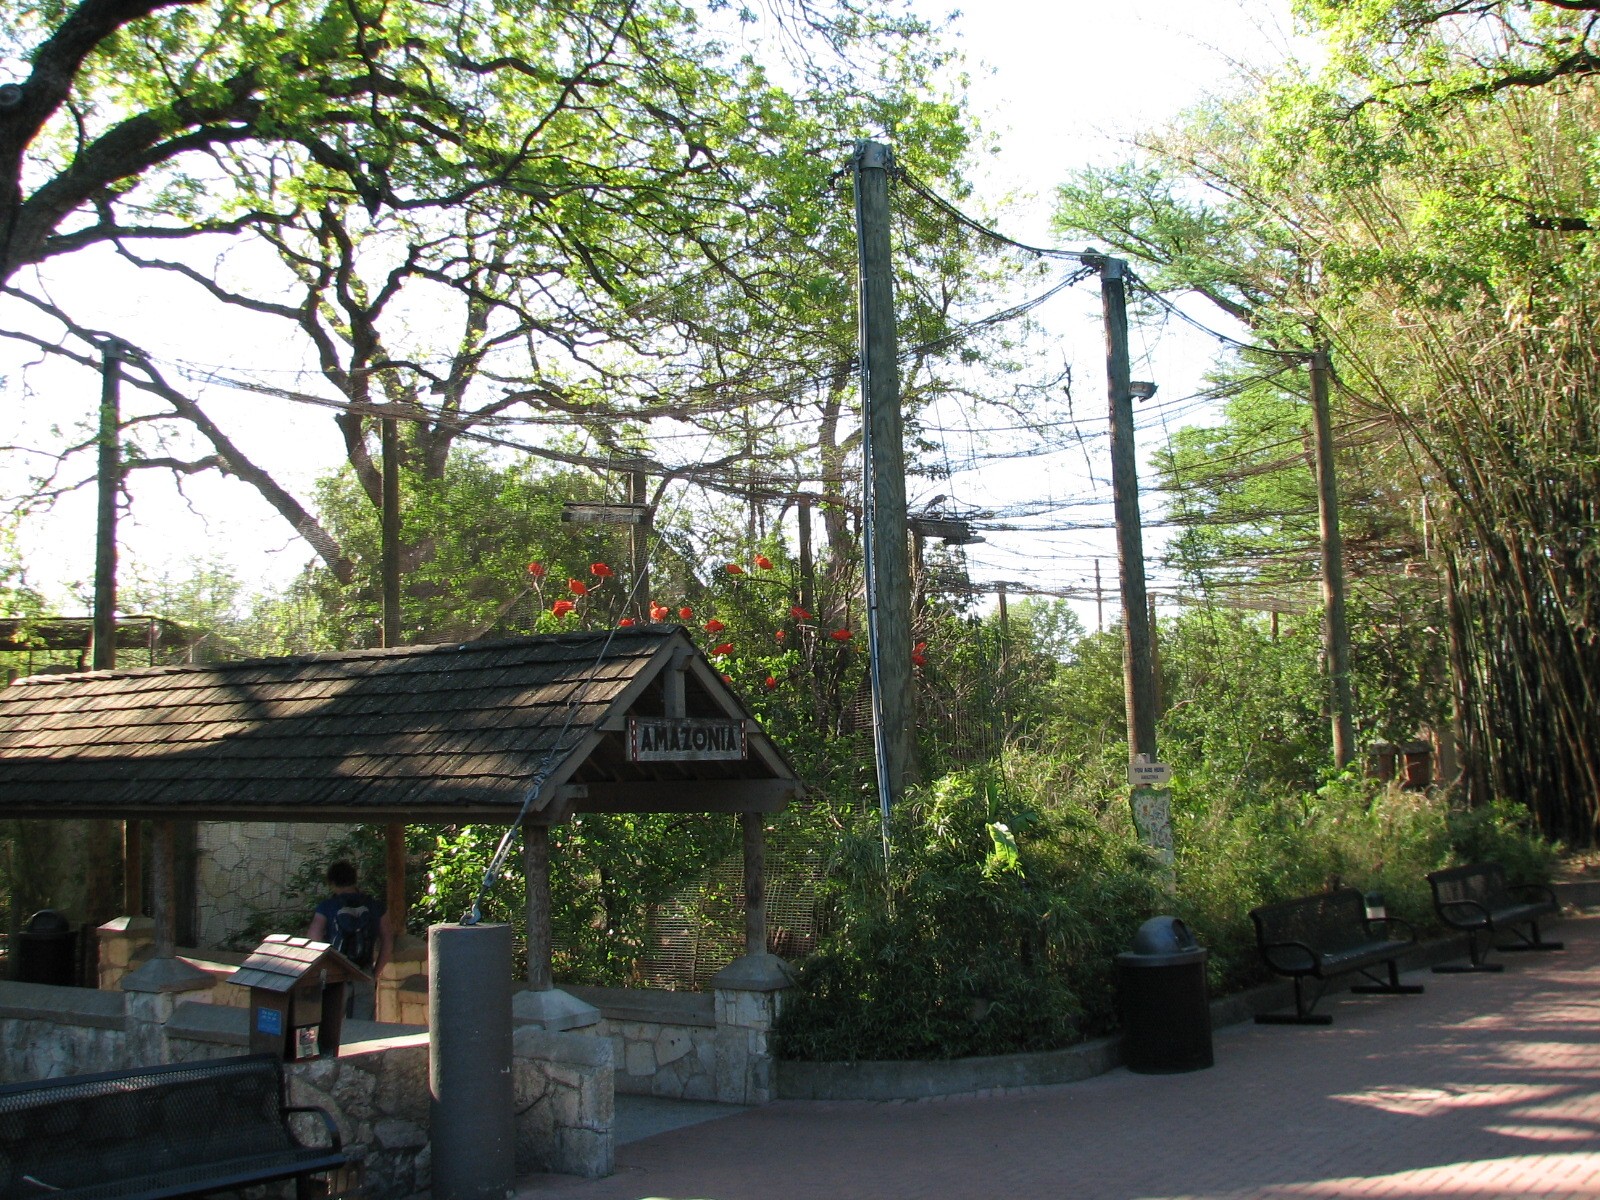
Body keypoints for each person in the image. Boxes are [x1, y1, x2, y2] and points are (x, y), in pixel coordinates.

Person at [307, 860, 394, 1020]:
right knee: (363, 1032)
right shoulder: (376, 906)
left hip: (334, 976)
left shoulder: (327, 907)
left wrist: (321, 973)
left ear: (332, 883)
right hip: (364, 972)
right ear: (355, 879)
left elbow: (314, 939)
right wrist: (375, 973)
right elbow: (388, 941)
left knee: (330, 1028)